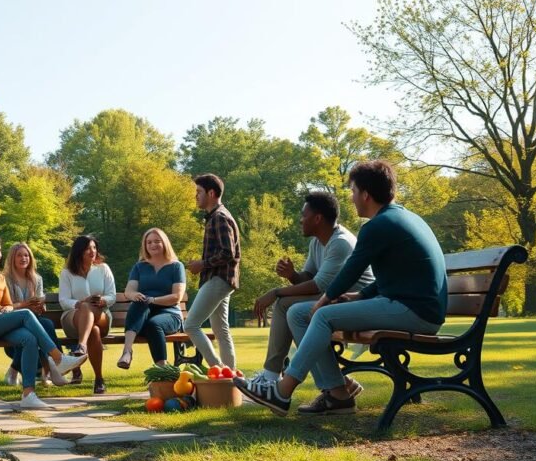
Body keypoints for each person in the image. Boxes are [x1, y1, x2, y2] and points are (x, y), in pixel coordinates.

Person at [238, 161, 448, 416]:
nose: (352, 198)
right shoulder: (401, 218)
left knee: (321, 314)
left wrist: (325, 299)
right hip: (408, 305)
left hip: (415, 311)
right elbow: (394, 276)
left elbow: (352, 270)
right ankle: (337, 394)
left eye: (353, 191)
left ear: (366, 194)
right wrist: (359, 296)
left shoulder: (378, 225)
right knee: (297, 313)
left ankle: (282, 391)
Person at [247, 191, 375, 396]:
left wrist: (276, 291)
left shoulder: (340, 242)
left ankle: (273, 376)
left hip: (355, 303)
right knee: (287, 306)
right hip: (333, 301)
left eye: (303, 215)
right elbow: (309, 278)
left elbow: (319, 285)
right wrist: (292, 275)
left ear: (318, 218)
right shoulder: (317, 241)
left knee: (287, 306)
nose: (300, 220)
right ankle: (339, 384)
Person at [0, 231, 88, 410]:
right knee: (25, 314)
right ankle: (58, 358)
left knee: (29, 339)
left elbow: (7, 304)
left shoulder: (0, 278)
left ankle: (28, 395)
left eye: (0, 251)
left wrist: (6, 309)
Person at [2, 242, 82, 387]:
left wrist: (40, 306)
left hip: (32, 321)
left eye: (26, 255)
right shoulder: (4, 279)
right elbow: (4, 307)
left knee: (46, 324)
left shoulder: (36, 278)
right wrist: (25, 305)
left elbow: (39, 301)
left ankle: (51, 368)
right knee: (39, 328)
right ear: (12, 258)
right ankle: (52, 367)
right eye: (19, 255)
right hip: (11, 325)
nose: (23, 258)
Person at [184, 174, 240, 369]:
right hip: (222, 279)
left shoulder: (219, 217)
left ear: (211, 193)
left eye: (199, 192)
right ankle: (230, 377)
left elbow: (228, 253)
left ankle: (219, 369)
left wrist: (202, 264)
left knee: (190, 325)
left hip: (219, 279)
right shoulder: (216, 217)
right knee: (221, 330)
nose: (196, 196)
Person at [117, 228, 186, 369]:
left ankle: (162, 367)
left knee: (153, 324)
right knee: (139, 301)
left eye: (157, 241)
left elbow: (176, 297)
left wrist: (153, 300)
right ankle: (127, 351)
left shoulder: (176, 266)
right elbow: (129, 291)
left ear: (164, 243)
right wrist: (134, 295)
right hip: (141, 318)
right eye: (149, 242)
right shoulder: (140, 266)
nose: (152, 245)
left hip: (169, 315)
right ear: (145, 245)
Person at [59, 235, 115, 394]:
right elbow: (64, 301)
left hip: (101, 315)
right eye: (88, 248)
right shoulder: (67, 273)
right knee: (91, 325)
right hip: (74, 318)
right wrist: (81, 302)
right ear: (79, 251)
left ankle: (81, 346)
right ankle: (99, 379)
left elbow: (112, 296)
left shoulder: (103, 269)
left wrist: (102, 301)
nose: (92, 251)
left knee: (95, 325)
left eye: (94, 248)